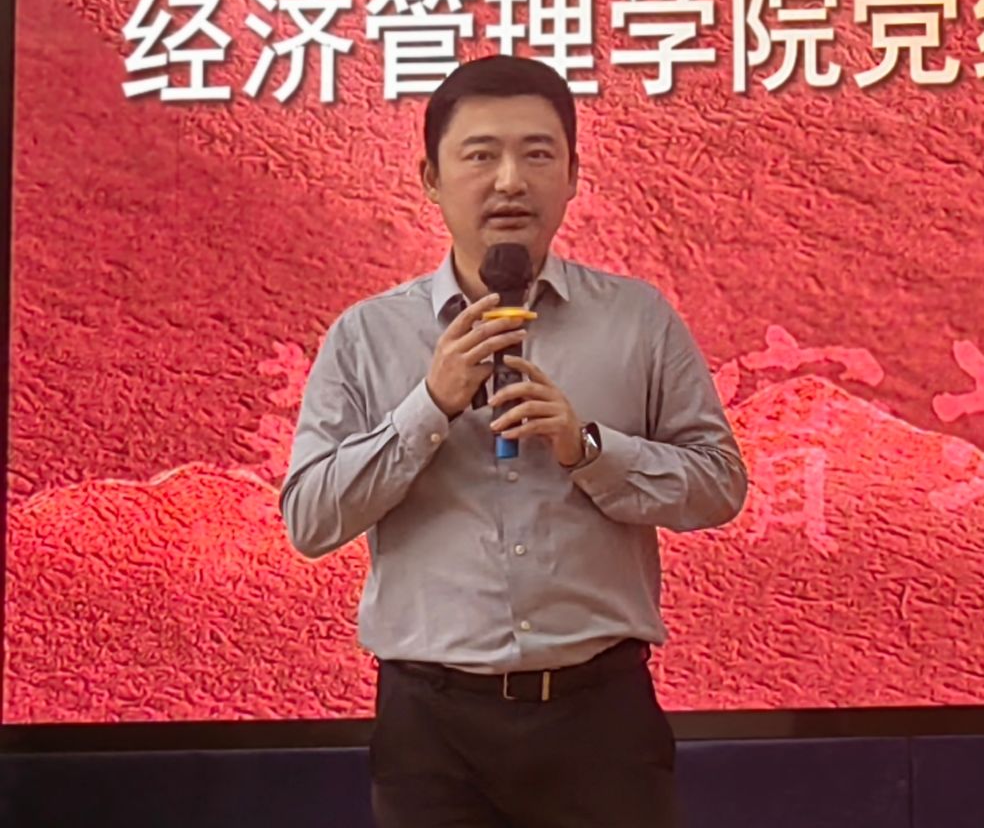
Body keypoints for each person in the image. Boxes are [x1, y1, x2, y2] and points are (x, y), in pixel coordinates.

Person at [282, 55, 747, 828]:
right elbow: (310, 520)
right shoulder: (367, 335)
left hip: (599, 719)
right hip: (432, 730)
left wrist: (586, 447)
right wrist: (428, 406)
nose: (509, 181)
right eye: (480, 155)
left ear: (572, 176)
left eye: (536, 155)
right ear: (431, 179)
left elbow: (719, 485)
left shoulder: (636, 320)